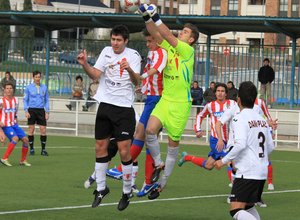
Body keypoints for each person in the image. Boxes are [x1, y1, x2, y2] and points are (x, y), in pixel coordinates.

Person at [77, 24, 141, 211]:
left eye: (118, 40)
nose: (115, 43)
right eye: (113, 39)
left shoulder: (133, 55)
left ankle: (127, 191)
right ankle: (101, 188)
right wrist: (85, 65)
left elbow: (137, 81)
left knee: (123, 150)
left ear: (126, 41)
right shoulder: (106, 52)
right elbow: (95, 75)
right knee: (100, 147)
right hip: (105, 105)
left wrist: (129, 70)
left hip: (123, 109)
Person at [139, 3, 200, 199]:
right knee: (150, 130)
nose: (181, 33)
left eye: (185, 32)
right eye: (181, 31)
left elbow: (167, 35)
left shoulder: (188, 52)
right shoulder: (171, 48)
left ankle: (162, 183)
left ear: (191, 40)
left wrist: (155, 15)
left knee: (173, 145)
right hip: (166, 99)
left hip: (181, 105)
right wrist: (146, 17)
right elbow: (156, 35)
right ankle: (158, 163)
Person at [106, 28, 167, 197]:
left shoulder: (162, 52)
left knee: (141, 132)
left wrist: (141, 76)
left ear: (157, 39)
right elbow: (152, 76)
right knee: (148, 139)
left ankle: (123, 168)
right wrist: (143, 86)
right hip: (152, 97)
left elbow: (156, 70)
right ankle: (148, 181)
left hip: (158, 98)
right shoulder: (152, 53)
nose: (147, 44)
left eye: (149, 41)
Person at [215, 81, 275, 220]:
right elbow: (270, 147)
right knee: (248, 207)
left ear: (238, 99)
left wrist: (223, 161)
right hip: (261, 172)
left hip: (247, 173)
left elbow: (240, 144)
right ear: (254, 100)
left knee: (235, 210)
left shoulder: (239, 118)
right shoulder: (262, 120)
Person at [178, 83, 236, 178]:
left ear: (226, 94)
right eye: (218, 91)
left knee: (208, 165)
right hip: (216, 140)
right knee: (228, 160)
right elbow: (200, 115)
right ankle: (235, 188)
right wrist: (198, 129)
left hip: (229, 140)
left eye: (222, 91)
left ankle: (187, 157)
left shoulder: (233, 104)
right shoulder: (210, 105)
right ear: (215, 93)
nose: (220, 93)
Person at [0, 83, 31, 167]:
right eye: (7, 88)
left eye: (10, 88)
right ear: (4, 90)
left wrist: (16, 123)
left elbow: (15, 113)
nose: (9, 90)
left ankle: (23, 160)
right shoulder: (1, 101)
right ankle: (4, 158)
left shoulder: (16, 100)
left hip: (14, 124)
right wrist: (1, 131)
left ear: (13, 90)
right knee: (15, 138)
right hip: (6, 125)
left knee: (25, 140)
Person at [23, 70, 50, 156]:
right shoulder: (28, 87)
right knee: (31, 129)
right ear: (33, 77)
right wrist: (26, 110)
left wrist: (47, 111)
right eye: (36, 77)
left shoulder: (44, 87)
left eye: (39, 77)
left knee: (43, 129)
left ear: (40, 77)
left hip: (41, 110)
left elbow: (47, 100)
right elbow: (25, 100)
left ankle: (43, 150)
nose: (38, 78)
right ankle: (31, 149)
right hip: (31, 110)